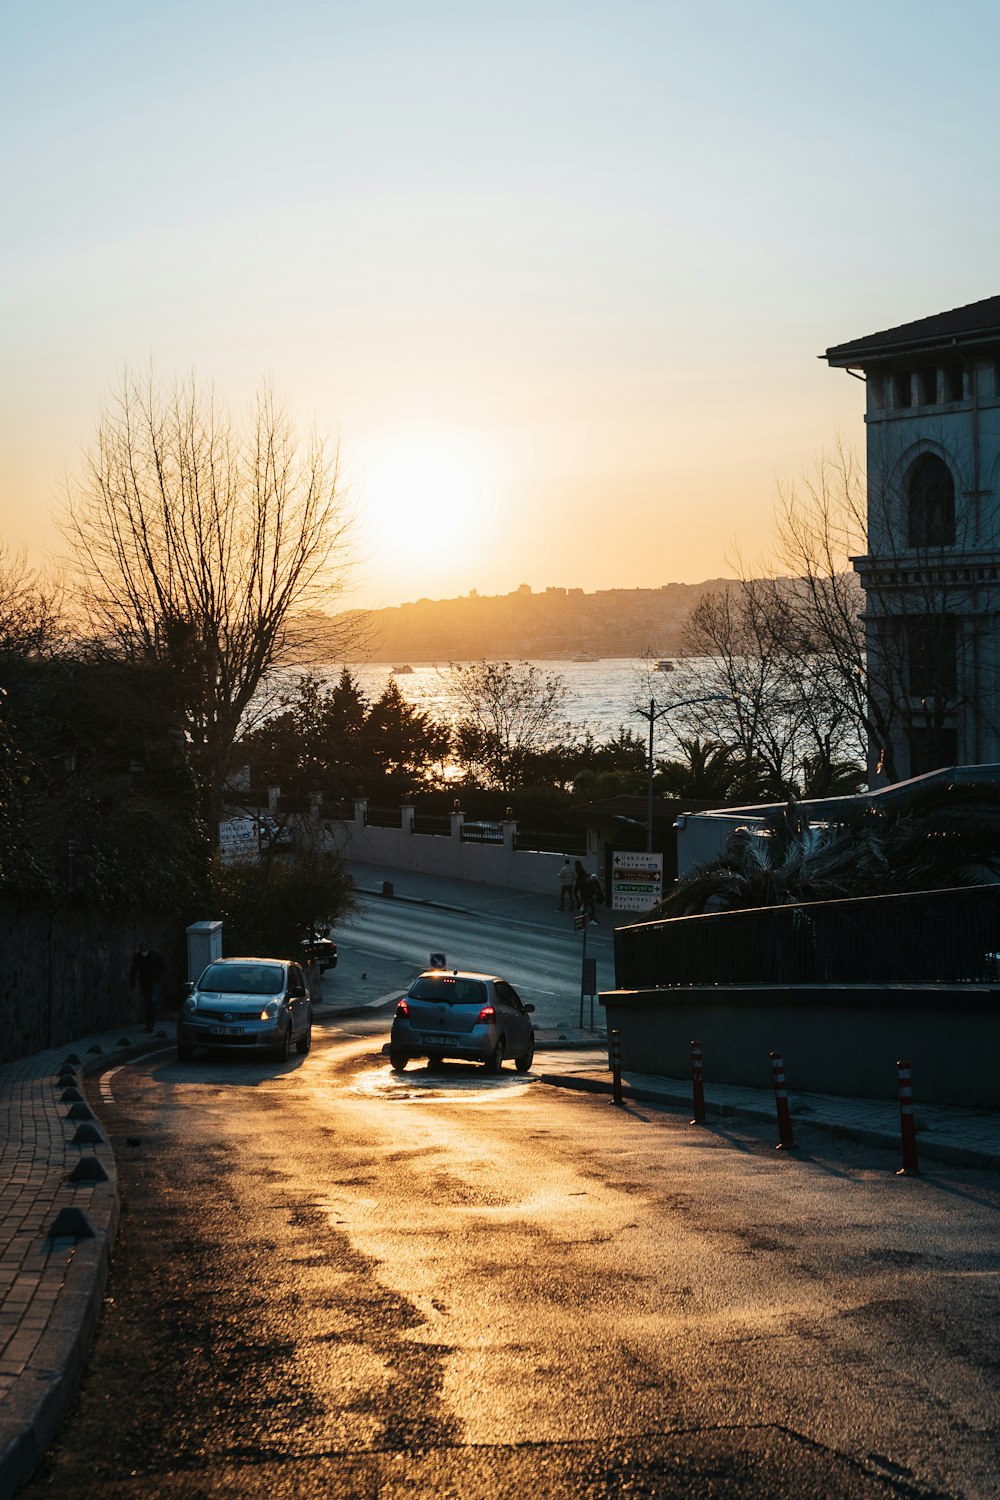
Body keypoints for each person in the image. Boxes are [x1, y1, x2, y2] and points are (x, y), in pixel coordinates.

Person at [129, 942, 165, 1031]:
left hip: (155, 982)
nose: (143, 950)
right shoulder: (138, 957)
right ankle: (148, 1024)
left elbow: (163, 966)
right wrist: (132, 981)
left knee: (151, 1002)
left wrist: (159, 977)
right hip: (145, 983)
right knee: (147, 1004)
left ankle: (151, 1024)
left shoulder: (154, 955)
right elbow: (134, 969)